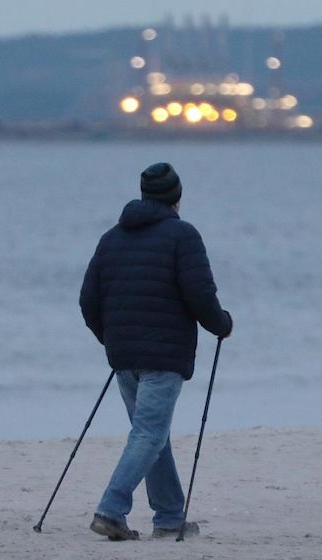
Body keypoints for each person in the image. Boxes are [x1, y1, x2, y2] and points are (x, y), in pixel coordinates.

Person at [79, 162, 233, 540]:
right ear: (176, 199)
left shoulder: (111, 238)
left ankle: (168, 517)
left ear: (145, 194)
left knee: (151, 434)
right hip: (162, 357)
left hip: (124, 354)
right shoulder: (183, 236)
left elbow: (87, 300)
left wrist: (110, 338)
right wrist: (221, 324)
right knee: (149, 433)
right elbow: (200, 294)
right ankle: (111, 510)